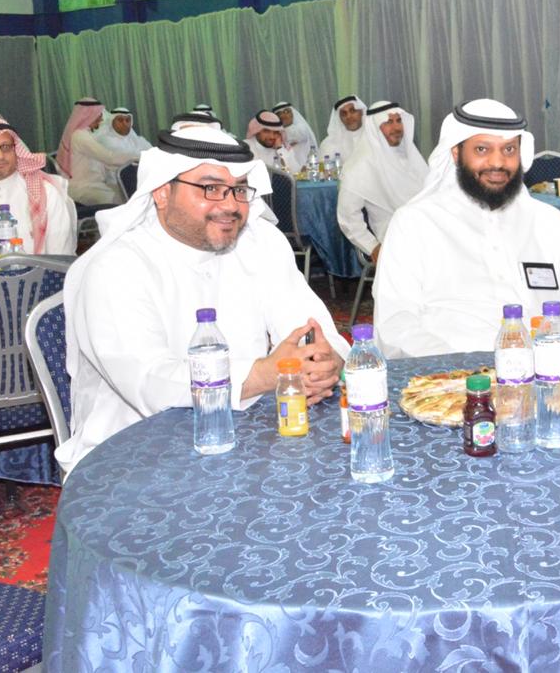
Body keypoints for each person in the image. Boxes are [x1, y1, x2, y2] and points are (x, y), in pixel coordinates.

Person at [56, 123, 347, 476]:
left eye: (239, 190)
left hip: (250, 435)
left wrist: (324, 362)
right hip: (136, 454)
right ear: (162, 193)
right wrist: (261, 375)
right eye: (211, 189)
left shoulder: (261, 243)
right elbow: (148, 382)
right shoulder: (116, 266)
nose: (231, 205)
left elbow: (313, 327)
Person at [374, 99, 560, 356]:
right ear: (456, 153)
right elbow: (395, 322)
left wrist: (555, 354)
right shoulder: (414, 223)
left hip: (545, 369)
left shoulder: (550, 223)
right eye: (482, 149)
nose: (497, 162)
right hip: (447, 374)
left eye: (509, 149)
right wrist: (457, 369)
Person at [336, 101, 429, 262]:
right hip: (396, 237)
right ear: (375, 127)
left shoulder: (411, 156)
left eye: (398, 121)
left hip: (426, 229)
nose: (397, 128)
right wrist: (372, 247)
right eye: (388, 122)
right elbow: (347, 217)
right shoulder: (359, 166)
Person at [0, 117, 76, 254]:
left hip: (39, 268)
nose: (0, 156)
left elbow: (60, 254)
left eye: (6, 147)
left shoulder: (46, 193)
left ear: (16, 150)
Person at [57, 98, 139, 206]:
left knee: (128, 193)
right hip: (83, 187)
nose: (101, 119)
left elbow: (104, 162)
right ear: (89, 116)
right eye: (99, 115)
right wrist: (139, 157)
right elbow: (110, 158)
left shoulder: (86, 134)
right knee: (123, 201)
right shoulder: (80, 136)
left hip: (94, 184)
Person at [318, 95, 367, 162]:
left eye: (353, 111)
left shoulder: (373, 135)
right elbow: (323, 164)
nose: (348, 116)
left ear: (361, 112)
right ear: (339, 119)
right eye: (343, 114)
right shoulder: (331, 142)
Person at [273, 101, 318, 167]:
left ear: (293, 114)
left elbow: (293, 136)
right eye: (279, 114)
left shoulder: (301, 128)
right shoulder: (273, 133)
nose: (282, 116)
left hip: (305, 168)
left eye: (286, 112)